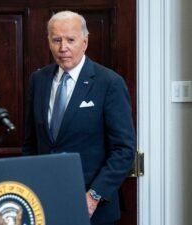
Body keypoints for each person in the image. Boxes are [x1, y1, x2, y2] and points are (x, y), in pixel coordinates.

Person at [22, 10, 135, 225]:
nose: (63, 48)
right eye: (56, 40)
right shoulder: (39, 80)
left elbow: (124, 150)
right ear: (48, 41)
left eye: (70, 40)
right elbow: (31, 143)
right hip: (44, 201)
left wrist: (93, 197)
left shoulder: (108, 83)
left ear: (85, 41)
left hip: (93, 206)